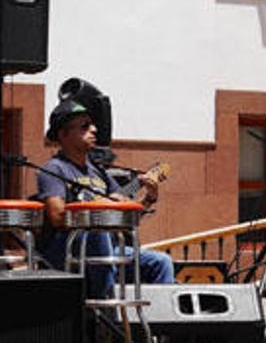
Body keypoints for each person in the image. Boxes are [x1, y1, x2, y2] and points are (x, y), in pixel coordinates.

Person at [35, 98, 175, 298]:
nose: (94, 130)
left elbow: (125, 217)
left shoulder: (100, 172)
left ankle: (161, 323)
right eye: (85, 126)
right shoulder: (54, 169)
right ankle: (107, 311)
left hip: (106, 247)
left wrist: (148, 199)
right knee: (98, 233)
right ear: (63, 134)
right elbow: (57, 216)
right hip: (68, 248)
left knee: (161, 262)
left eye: (93, 125)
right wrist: (99, 207)